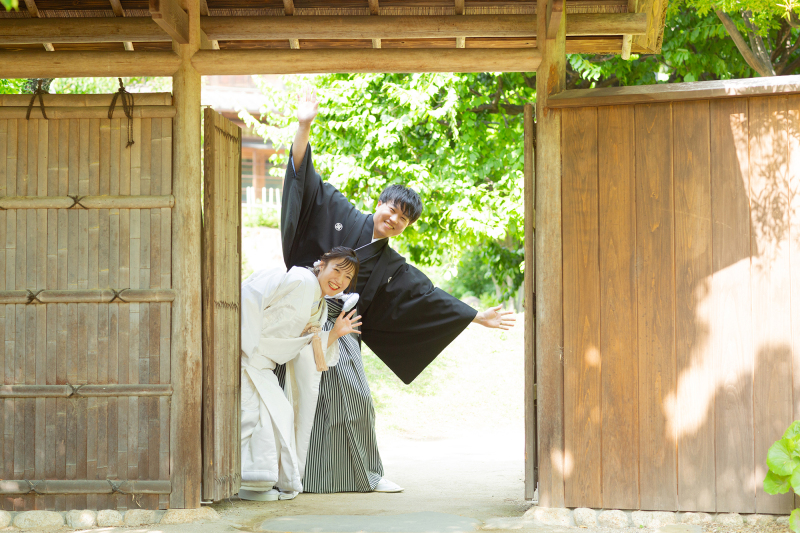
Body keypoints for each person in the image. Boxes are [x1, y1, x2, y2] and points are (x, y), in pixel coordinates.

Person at [280, 87, 516, 494]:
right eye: (392, 208)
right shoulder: (338, 209)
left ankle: (364, 475)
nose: (394, 218)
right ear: (381, 201)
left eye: (404, 219)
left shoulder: (390, 265)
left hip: (342, 329)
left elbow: (427, 296)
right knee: (292, 398)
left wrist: (477, 316)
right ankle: (287, 474)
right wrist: (304, 126)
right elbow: (304, 180)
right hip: (300, 316)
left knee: (356, 402)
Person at [239, 247, 362, 502]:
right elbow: (252, 296)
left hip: (263, 364)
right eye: (336, 270)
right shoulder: (301, 280)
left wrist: (336, 332)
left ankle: (255, 483)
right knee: (252, 416)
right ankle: (245, 480)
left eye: (347, 278)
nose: (339, 280)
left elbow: (308, 350)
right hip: (246, 355)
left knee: (277, 415)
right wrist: (244, 344)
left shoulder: (320, 307)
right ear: (322, 265)